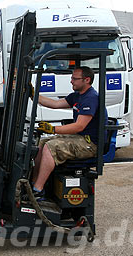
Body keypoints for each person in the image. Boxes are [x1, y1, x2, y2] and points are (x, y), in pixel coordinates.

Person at [28, 66, 107, 200]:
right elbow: (55, 104)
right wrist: (33, 95)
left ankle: (38, 190)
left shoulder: (91, 98)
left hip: (90, 144)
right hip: (80, 139)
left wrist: (52, 129)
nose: (71, 81)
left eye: (74, 79)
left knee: (51, 147)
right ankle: (33, 183)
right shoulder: (77, 96)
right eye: (72, 78)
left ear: (86, 80)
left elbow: (79, 126)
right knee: (42, 143)